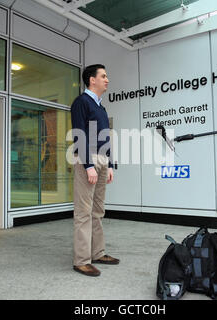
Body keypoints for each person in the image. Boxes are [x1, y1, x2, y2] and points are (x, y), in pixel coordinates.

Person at [70, 64, 119, 277]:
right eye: (104, 76)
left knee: (98, 211)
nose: (107, 79)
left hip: (101, 161)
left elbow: (104, 136)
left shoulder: (100, 106)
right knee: (84, 212)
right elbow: (80, 134)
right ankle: (81, 260)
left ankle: (97, 253)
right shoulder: (81, 102)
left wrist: (109, 164)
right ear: (92, 80)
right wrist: (88, 165)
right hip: (87, 160)